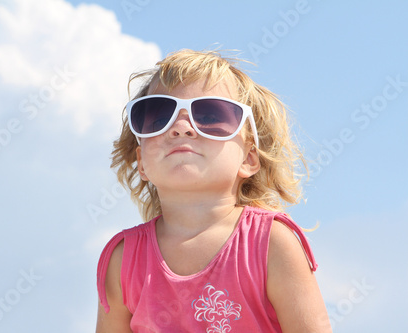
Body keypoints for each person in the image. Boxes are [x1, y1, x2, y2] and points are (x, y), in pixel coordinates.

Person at [96, 49, 332, 332]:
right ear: (142, 163)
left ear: (248, 158)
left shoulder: (271, 244)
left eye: (209, 115)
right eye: (159, 117)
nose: (181, 128)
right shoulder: (124, 260)